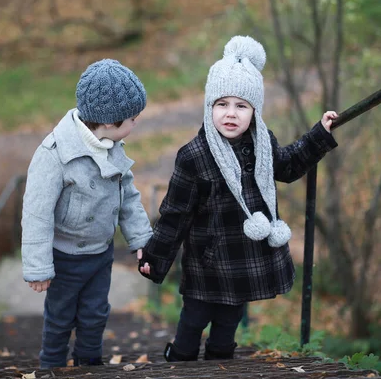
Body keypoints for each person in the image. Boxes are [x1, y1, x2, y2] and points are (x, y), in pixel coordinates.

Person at [137, 35, 339, 362]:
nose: (231, 114)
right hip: (207, 260)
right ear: (209, 107)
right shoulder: (194, 155)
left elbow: (287, 166)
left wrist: (319, 136)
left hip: (243, 259)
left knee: (228, 323)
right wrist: (155, 258)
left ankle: (221, 362)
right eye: (222, 104)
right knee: (193, 320)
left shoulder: (261, 143)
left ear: (254, 111)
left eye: (241, 106)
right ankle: (180, 363)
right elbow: (175, 214)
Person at [21, 59, 153, 368]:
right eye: (133, 119)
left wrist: (141, 239)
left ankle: (89, 365)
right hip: (65, 257)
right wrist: (38, 266)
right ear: (109, 122)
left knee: (95, 314)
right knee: (60, 318)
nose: (136, 124)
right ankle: (50, 367)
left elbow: (128, 196)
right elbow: (36, 213)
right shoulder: (54, 154)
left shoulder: (112, 145)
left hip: (100, 254)